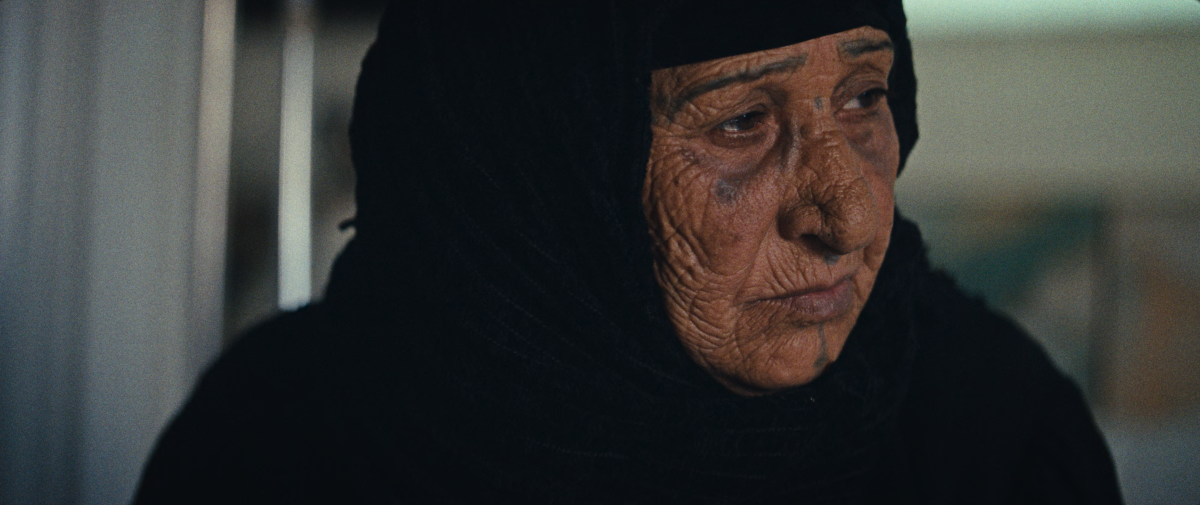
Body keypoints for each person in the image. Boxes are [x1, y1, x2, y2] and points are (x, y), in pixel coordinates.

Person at [134, 1, 1123, 503]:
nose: (851, 217)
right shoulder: (275, 448)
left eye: (866, 97)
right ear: (538, 166)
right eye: (739, 121)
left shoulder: (989, 439)